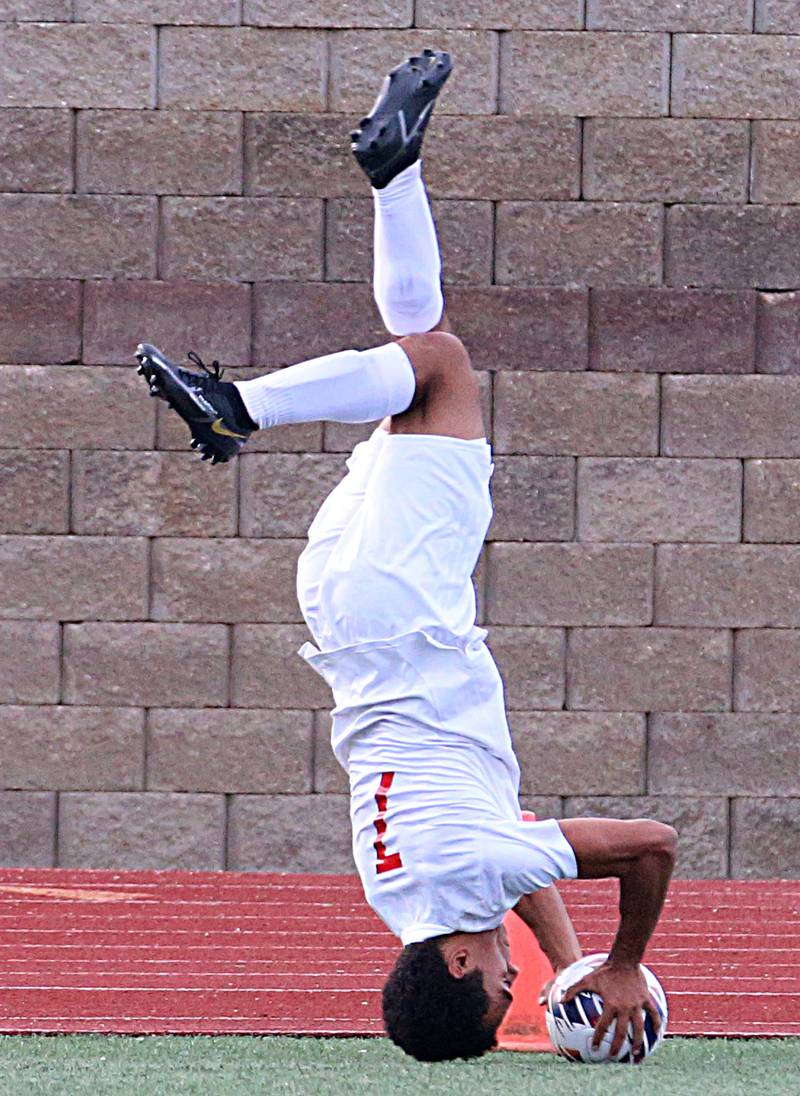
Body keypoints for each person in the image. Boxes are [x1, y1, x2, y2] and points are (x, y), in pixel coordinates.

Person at [135, 50, 677, 1062]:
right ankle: (395, 171)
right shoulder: (406, 896)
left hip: (404, 603)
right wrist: (566, 963)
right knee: (418, 350)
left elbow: (650, 844)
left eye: (505, 982)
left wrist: (619, 960)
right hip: (343, 605)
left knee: (437, 367)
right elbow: (511, 870)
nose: (516, 977)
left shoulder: (465, 871)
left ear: (463, 968)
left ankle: (236, 406)